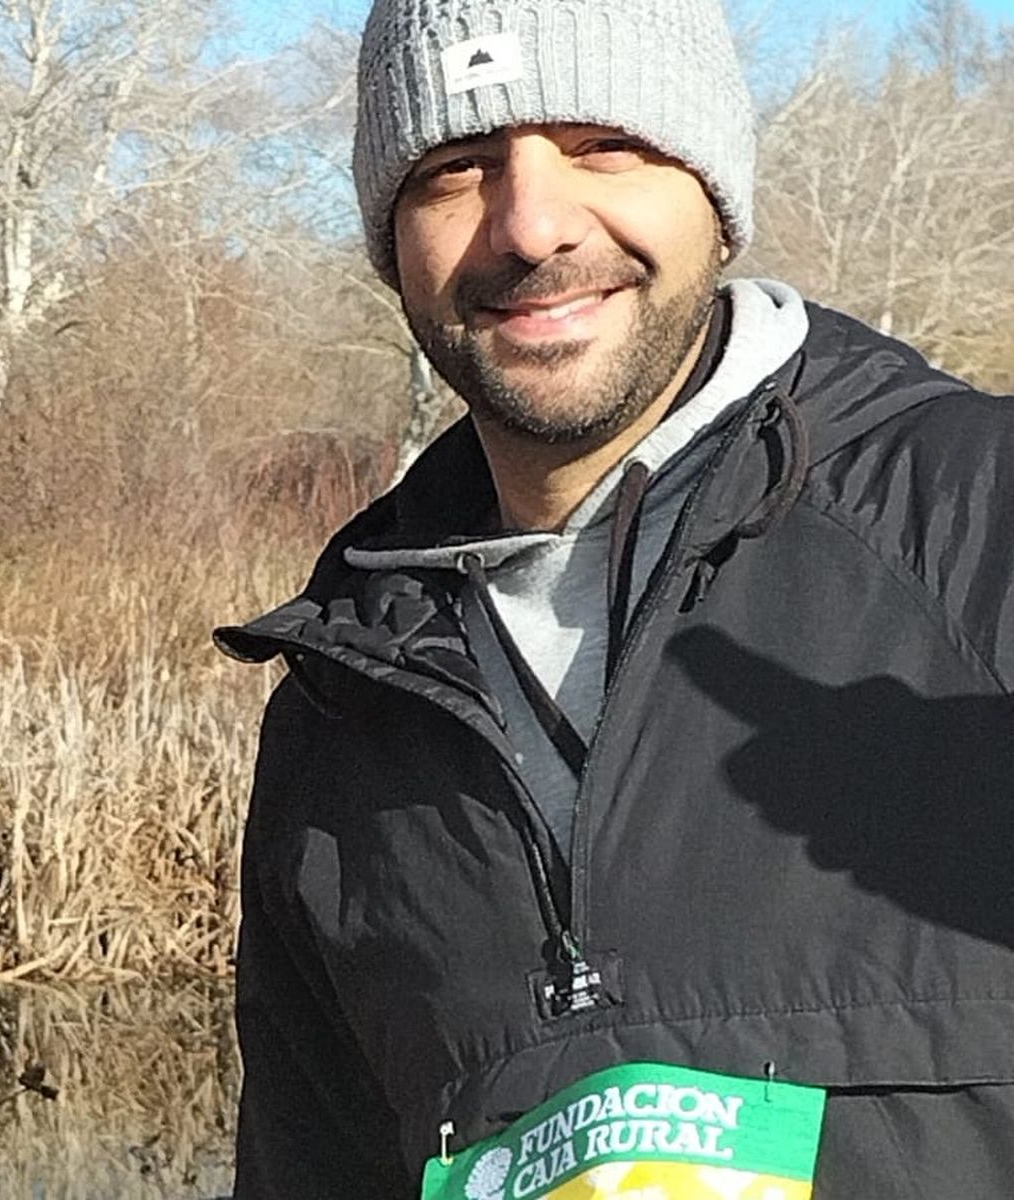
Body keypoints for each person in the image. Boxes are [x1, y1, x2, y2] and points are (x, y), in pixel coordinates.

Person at [215, 0, 1014, 1196]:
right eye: (454, 169)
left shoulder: (981, 522)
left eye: (603, 146)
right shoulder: (345, 697)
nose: (530, 226)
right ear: (392, 246)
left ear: (712, 190)